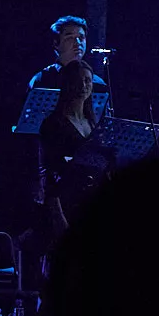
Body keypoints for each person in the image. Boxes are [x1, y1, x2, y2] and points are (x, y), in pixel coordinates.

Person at [35, 60, 113, 241]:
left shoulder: (93, 123)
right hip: (67, 201)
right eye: (78, 81)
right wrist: (58, 215)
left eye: (88, 81)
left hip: (91, 201)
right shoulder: (53, 124)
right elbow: (50, 173)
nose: (84, 86)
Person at [27, 14, 105, 91]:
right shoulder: (42, 80)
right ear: (56, 44)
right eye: (70, 38)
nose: (78, 42)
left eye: (81, 37)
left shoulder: (97, 83)